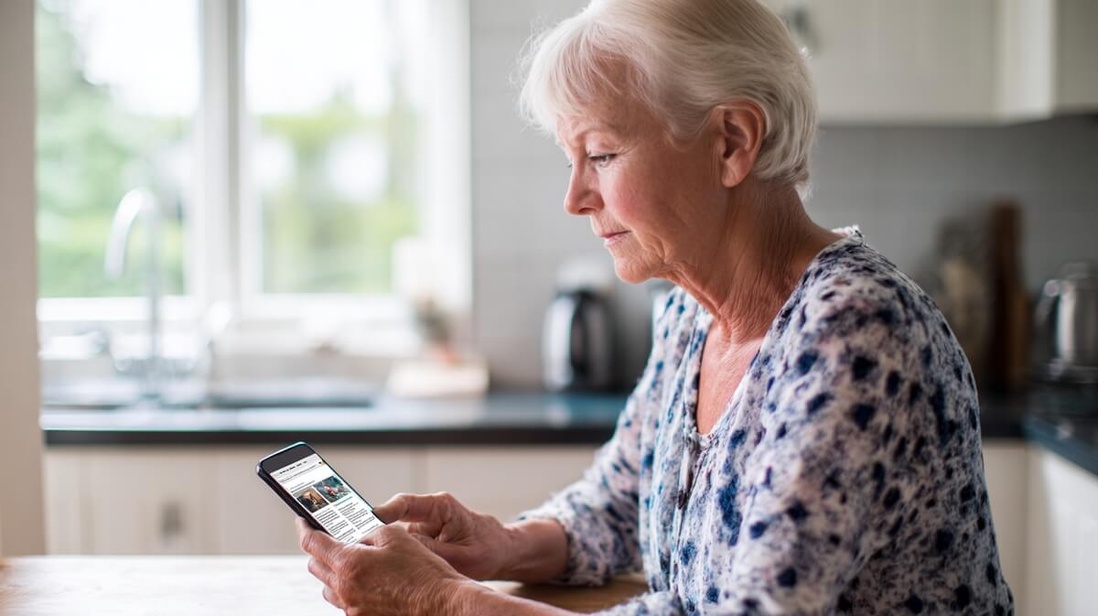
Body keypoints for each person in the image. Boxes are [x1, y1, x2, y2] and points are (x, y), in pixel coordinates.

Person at [297, 0, 1015, 613]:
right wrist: (502, 544)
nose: (575, 197)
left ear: (731, 143)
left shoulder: (855, 333)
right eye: (571, 159)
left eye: (602, 155)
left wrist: (442, 599)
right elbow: (618, 503)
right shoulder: (690, 318)